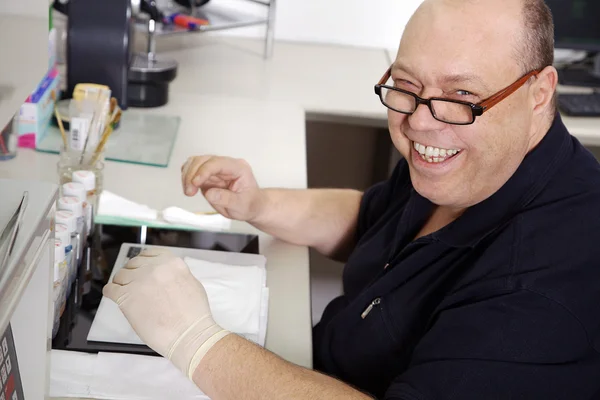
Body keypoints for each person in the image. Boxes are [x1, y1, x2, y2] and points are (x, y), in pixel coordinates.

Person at [103, 0, 600, 398]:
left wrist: (196, 342)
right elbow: (374, 217)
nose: (420, 122)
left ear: (538, 94)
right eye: (404, 86)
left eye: (461, 97)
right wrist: (259, 205)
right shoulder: (471, 160)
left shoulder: (543, 288)